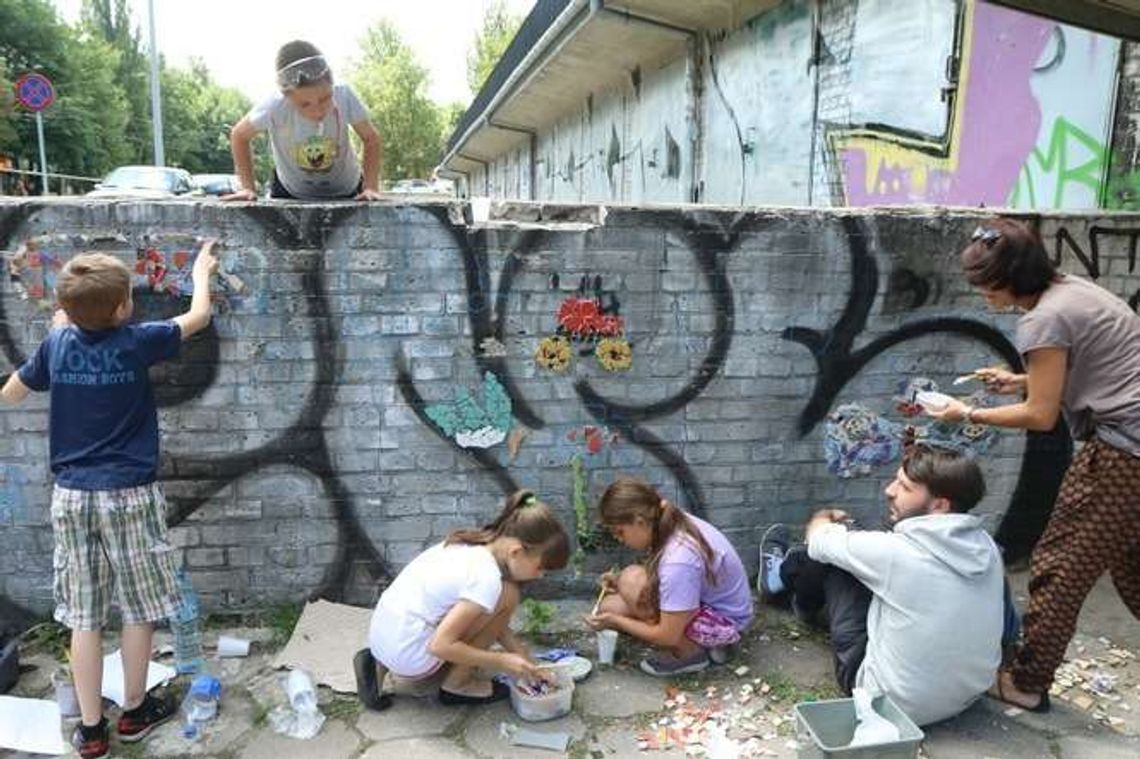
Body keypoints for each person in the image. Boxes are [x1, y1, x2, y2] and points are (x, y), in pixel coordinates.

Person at [0, 243, 219, 759]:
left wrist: (60, 330)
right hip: (129, 495)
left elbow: (12, 391)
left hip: (73, 498)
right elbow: (199, 315)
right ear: (123, 307)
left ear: (68, 310)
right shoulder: (137, 341)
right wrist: (202, 270)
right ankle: (136, 712)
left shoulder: (57, 345)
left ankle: (92, 730)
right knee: (139, 608)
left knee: (84, 616)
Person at [928, 217, 1140, 713]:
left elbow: (1042, 416)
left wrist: (967, 412)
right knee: (1131, 561)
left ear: (1011, 280)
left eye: (987, 287)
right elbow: (1088, 368)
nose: (985, 297)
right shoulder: (1073, 292)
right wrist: (1020, 381)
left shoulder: (1042, 320)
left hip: (1123, 453)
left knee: (1060, 565)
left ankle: (1025, 681)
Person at [759, 444, 1003, 727]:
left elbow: (818, 539)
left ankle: (784, 588)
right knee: (860, 551)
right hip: (965, 697)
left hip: (887, 704)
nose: (889, 490)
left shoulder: (896, 554)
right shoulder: (987, 547)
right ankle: (788, 577)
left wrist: (825, 515)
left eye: (904, 487)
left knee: (836, 556)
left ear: (940, 505)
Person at [354, 490, 570, 710]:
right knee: (509, 595)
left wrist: (526, 661)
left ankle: (378, 665)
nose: (540, 575)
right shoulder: (487, 579)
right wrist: (502, 661)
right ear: (516, 552)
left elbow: (495, 623)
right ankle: (458, 684)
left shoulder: (469, 544)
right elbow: (441, 646)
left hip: (383, 637)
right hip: (410, 657)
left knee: (496, 599)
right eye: (540, 567)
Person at [585, 478, 754, 677]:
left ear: (639, 521)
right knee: (610, 606)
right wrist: (617, 584)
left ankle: (690, 652)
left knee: (630, 580)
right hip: (709, 605)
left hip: (724, 624)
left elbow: (666, 635)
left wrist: (616, 620)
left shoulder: (679, 558)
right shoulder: (669, 519)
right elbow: (666, 573)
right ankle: (695, 641)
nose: (619, 540)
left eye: (620, 532)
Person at [224, 40, 382, 201]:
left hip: (348, 189)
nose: (317, 110)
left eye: (325, 98)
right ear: (286, 97)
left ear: (332, 84)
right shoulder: (274, 105)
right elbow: (239, 136)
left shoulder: (344, 95)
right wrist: (247, 187)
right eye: (305, 104)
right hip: (290, 192)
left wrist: (370, 187)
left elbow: (371, 138)